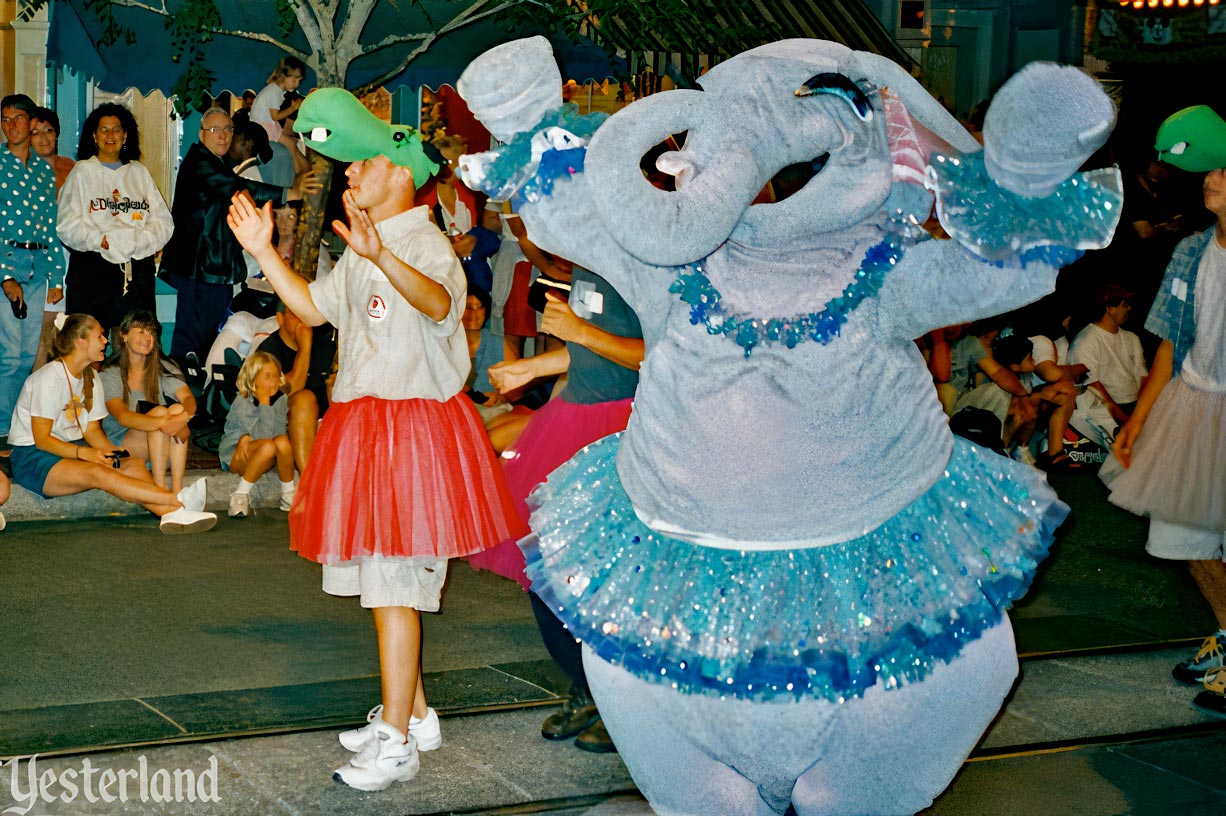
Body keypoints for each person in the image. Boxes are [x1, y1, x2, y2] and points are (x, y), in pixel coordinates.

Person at [227, 87, 526, 791]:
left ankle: (396, 742)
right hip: (367, 424)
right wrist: (266, 251)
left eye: (363, 162)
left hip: (412, 429)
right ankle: (412, 713)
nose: (350, 171)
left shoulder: (420, 240)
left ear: (402, 173)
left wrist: (380, 255)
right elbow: (310, 306)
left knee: (395, 583)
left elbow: (440, 302)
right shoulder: (366, 243)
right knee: (380, 579)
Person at [467, 265, 644, 754]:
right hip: (572, 418)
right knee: (538, 557)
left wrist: (578, 330)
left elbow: (659, 353)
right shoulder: (587, 265)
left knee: (603, 577)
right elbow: (592, 350)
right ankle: (586, 687)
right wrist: (534, 368)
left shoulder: (636, 259)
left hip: (622, 426)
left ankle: (622, 704)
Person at [1106, 162, 1226, 696]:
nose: (1211, 177)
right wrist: (1140, 420)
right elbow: (1170, 346)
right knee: (1182, 534)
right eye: (1211, 169)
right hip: (1194, 407)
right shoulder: (1190, 250)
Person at [8, 313, 215, 534]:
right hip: (34, 458)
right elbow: (42, 440)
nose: (106, 341)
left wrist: (110, 452)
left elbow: (92, 430)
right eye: (99, 336)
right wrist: (85, 454)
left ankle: (171, 514)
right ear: (81, 340)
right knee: (97, 473)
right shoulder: (48, 378)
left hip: (69, 451)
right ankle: (179, 500)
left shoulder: (92, 377)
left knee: (132, 464)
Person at [160, 106, 314, 363]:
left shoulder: (215, 163)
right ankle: (184, 394)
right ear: (201, 135)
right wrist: (290, 193)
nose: (222, 136)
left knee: (206, 342)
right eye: (214, 130)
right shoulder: (201, 162)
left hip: (212, 269)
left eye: (228, 129)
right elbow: (238, 188)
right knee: (189, 346)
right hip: (199, 270)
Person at [56, 102, 173, 332]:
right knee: (88, 346)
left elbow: (163, 221)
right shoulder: (82, 172)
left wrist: (139, 242)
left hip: (137, 272)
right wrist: (101, 240)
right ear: (94, 136)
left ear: (125, 135)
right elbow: (66, 225)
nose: (110, 135)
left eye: (116, 129)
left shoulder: (139, 173)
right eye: (104, 129)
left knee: (135, 344)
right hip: (92, 272)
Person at [1, 94, 64, 454]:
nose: (11, 126)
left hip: (38, 269)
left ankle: (17, 427)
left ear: (31, 122)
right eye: (5, 120)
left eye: (18, 118)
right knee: (9, 354)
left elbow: (50, 226)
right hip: (7, 264)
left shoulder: (42, 170)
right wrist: (5, 275)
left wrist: (56, 277)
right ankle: (2, 428)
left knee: (28, 355)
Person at [99, 310, 195, 495]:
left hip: (162, 447)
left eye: (151, 332)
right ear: (124, 335)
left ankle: (177, 490)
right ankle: (160, 491)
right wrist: (166, 423)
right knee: (161, 412)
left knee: (176, 408)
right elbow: (123, 417)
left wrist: (183, 417)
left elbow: (189, 399)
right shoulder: (110, 373)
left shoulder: (164, 367)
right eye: (141, 331)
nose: (148, 337)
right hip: (124, 446)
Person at [250, 300, 336, 476]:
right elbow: (292, 389)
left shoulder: (326, 341)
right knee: (304, 399)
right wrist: (305, 347)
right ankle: (308, 484)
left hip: (326, 423)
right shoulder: (266, 353)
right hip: (285, 429)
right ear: (280, 319)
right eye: (295, 313)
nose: (303, 319)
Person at [219, 349, 295, 518]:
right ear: (253, 377)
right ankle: (240, 495)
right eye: (267, 376)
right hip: (236, 454)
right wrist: (265, 403)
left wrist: (268, 404)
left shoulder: (280, 400)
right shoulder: (243, 399)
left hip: (264, 452)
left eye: (276, 375)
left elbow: (278, 435)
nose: (273, 381)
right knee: (268, 445)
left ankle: (288, 494)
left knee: (282, 441)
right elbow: (262, 437)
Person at [28, 107, 75, 371]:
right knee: (37, 336)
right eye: (35, 132)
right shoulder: (18, 170)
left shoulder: (73, 168)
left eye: (49, 131)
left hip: (67, 257)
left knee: (61, 331)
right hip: (32, 258)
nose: (43, 138)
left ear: (57, 134)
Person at [251, 57, 311, 176]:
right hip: (264, 128)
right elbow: (275, 116)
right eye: (294, 80)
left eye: (299, 80)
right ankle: (301, 176)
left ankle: (305, 173)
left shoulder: (276, 90)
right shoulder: (274, 91)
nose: (297, 84)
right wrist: (294, 107)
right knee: (292, 146)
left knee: (294, 144)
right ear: (283, 76)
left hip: (267, 126)